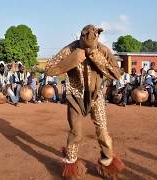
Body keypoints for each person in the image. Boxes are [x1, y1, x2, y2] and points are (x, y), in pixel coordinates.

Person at [45, 25, 125, 179]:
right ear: (80, 38)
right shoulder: (70, 49)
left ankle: (107, 163)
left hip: (96, 97)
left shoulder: (103, 50)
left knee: (102, 131)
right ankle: (71, 166)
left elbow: (116, 74)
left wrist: (95, 56)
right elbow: (49, 69)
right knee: (76, 133)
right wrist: (73, 59)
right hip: (75, 97)